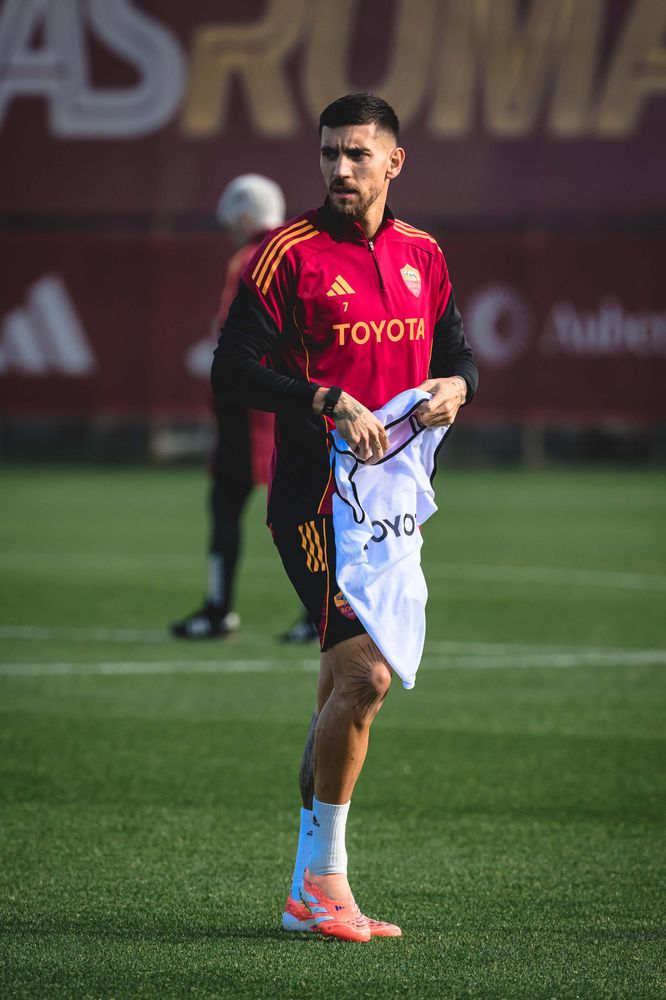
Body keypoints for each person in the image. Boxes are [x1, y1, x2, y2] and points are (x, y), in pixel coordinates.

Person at [211, 94, 479, 940]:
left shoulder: (422, 254)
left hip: (391, 508)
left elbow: (457, 350)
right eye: (329, 153)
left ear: (394, 161)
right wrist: (324, 399)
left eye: (358, 153)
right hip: (314, 502)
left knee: (343, 689)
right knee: (366, 675)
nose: (340, 169)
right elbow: (231, 369)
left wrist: (458, 387)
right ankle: (326, 885)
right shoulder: (286, 255)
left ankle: (304, 885)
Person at [172, 174, 318, 642]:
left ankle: (218, 610)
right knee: (306, 508)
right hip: (299, 396)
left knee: (226, 503)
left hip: (251, 402)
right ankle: (319, 612)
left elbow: (233, 339)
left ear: (241, 216)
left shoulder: (247, 260)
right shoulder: (300, 253)